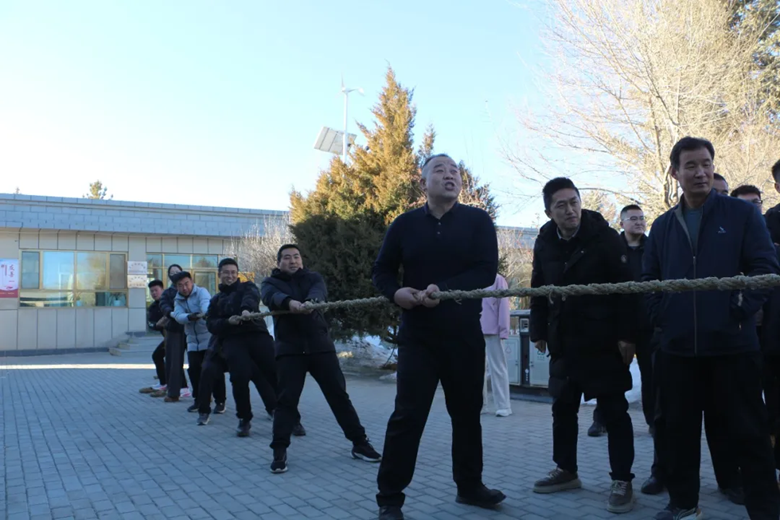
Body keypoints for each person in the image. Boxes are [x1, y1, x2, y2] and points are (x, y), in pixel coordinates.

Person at [643, 136, 779, 520]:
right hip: (678, 350)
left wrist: (738, 309)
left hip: (733, 348)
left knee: (750, 435)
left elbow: (765, 268)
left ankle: (766, 511)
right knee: (678, 435)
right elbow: (648, 280)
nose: (700, 172)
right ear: (675, 173)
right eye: (691, 165)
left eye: (706, 164)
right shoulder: (663, 226)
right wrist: (663, 316)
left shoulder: (741, 215)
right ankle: (684, 505)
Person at [372, 153, 505, 520]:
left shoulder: (478, 221)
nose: (450, 175)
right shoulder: (405, 224)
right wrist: (395, 293)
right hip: (419, 337)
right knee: (408, 416)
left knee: (467, 415)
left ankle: (470, 486)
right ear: (423, 182)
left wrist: (442, 290)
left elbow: (485, 271)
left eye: (455, 171)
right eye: (440, 170)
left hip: (464, 335)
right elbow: (382, 271)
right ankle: (389, 498)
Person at [529, 177, 638, 514]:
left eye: (574, 201)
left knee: (614, 412)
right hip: (563, 339)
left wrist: (628, 335)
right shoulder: (545, 241)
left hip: (603, 340)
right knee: (562, 409)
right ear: (549, 212)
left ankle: (622, 480)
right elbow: (537, 287)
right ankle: (566, 470)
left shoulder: (604, 237)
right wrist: (538, 330)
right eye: (561, 205)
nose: (570, 209)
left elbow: (628, 288)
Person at [262, 245, 381, 474]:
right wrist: (289, 303)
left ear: (301, 260)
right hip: (290, 351)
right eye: (287, 258)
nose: (293, 261)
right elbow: (271, 297)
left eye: (296, 256)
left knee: (339, 397)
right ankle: (279, 450)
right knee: (286, 402)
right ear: (279, 263)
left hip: (320, 348)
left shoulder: (313, 278)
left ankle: (360, 443)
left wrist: (312, 302)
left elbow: (319, 292)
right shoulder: (270, 282)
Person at [205, 258, 279, 436]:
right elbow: (211, 324)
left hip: (257, 335)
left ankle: (291, 417)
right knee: (239, 377)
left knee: (275, 374)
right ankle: (244, 419)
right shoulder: (216, 300)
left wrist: (246, 310)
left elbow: (251, 298)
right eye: (226, 272)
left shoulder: (248, 287)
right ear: (219, 274)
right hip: (233, 340)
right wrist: (227, 322)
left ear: (237, 274)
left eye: (233, 272)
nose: (230, 276)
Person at [170, 271, 212, 406]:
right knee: (193, 370)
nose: (184, 288)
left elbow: (206, 306)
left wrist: (203, 313)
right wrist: (189, 317)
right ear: (176, 287)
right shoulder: (178, 299)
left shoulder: (202, 292)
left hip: (208, 339)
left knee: (212, 370)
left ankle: (219, 400)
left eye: (186, 284)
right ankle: (198, 399)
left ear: (192, 281)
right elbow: (178, 316)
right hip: (192, 341)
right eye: (180, 285)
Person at [155, 264, 190, 400]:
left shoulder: (192, 290)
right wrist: (172, 314)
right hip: (175, 329)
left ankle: (204, 393)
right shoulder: (167, 293)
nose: (175, 274)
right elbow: (164, 305)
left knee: (198, 362)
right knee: (173, 362)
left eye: (177, 272)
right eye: (172, 273)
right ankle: (173, 393)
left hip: (192, 329)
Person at [480, 273, 512, 417]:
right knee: (477, 370)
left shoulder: (498, 280)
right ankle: (480, 404)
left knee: (498, 368)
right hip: (476, 329)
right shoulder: (475, 277)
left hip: (494, 330)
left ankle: (504, 405)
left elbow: (504, 305)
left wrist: (503, 329)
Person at [139, 279, 168, 394]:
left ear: (162, 290)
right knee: (157, 356)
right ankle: (164, 383)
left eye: (156, 290)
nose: (154, 293)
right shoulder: (153, 307)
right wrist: (159, 323)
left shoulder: (169, 302)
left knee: (172, 360)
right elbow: (152, 325)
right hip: (168, 338)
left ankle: (177, 387)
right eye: (152, 291)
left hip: (180, 336)